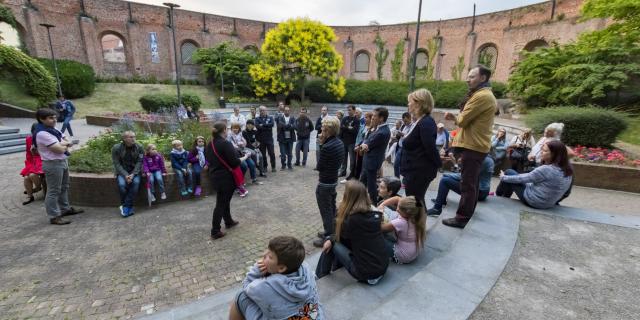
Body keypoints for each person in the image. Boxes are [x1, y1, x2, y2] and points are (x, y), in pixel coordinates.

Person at [442, 65, 497, 228]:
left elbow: (463, 120)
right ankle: (466, 215)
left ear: (483, 78)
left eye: (472, 76)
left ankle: (462, 218)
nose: (468, 79)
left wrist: (453, 116)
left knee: (467, 184)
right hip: (475, 146)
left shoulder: (482, 96)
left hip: (473, 147)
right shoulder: (484, 94)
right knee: (471, 183)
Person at [229, 236, 323, 320]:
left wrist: (256, 270)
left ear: (281, 268)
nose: (264, 254)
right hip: (312, 316)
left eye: (270, 256)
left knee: (240, 296)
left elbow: (247, 287)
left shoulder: (266, 286)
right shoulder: (306, 269)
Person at [315, 180, 389, 285]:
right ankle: (335, 267)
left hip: (367, 274)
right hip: (382, 266)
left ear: (348, 197)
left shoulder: (350, 220)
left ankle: (319, 275)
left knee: (331, 243)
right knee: (340, 240)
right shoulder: (373, 213)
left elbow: (337, 233)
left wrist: (339, 211)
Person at [34, 109, 84, 224]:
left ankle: (65, 209)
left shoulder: (53, 129)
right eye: (51, 118)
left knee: (64, 186)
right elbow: (59, 149)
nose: (55, 120)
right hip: (52, 164)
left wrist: (63, 143)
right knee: (53, 190)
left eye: (55, 117)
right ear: (42, 119)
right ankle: (54, 216)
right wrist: (65, 144)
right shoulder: (42, 133)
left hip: (62, 161)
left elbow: (66, 139)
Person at [496, 140, 573, 209]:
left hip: (534, 201)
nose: (541, 152)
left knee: (509, 172)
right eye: (542, 150)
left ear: (554, 154)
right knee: (514, 177)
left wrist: (503, 177)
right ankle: (504, 197)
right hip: (549, 203)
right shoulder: (567, 168)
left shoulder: (547, 169)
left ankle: (498, 195)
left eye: (545, 151)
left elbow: (522, 179)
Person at [400, 89, 442, 210]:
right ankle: (417, 226)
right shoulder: (420, 121)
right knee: (415, 200)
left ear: (419, 103)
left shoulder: (426, 122)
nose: (408, 104)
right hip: (414, 171)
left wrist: (438, 164)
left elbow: (430, 148)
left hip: (419, 172)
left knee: (416, 201)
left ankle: (419, 227)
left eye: (410, 102)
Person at [205, 121, 242, 239]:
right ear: (224, 130)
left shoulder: (209, 144)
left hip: (215, 176)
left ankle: (228, 221)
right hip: (225, 178)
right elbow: (234, 162)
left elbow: (208, 159)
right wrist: (244, 158)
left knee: (224, 200)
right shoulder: (226, 144)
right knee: (221, 204)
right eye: (227, 129)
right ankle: (215, 230)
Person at [313, 116, 345, 248]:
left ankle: (329, 236)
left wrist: (321, 144)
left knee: (326, 210)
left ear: (329, 131)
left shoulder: (327, 146)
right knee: (331, 207)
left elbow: (319, 166)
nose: (321, 131)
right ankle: (332, 230)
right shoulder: (339, 142)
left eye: (323, 129)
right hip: (333, 181)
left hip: (325, 183)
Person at [427, 156, 495, 216]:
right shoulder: (488, 159)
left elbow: (464, 176)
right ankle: (441, 200)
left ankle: (437, 208)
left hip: (479, 192)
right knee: (447, 179)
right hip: (482, 191)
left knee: (444, 181)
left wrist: (446, 174)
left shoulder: (481, 160)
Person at [381, 196, 426, 264]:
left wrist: (380, 213)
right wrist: (382, 205)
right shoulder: (416, 215)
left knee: (374, 235)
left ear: (407, 212)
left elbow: (380, 228)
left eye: (399, 208)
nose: (397, 209)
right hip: (412, 251)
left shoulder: (401, 222)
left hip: (403, 256)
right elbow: (397, 198)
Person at [359, 107, 391, 203]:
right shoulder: (378, 129)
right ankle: (358, 199)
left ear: (381, 118)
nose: (372, 118)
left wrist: (364, 145)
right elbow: (366, 141)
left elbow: (367, 145)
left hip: (372, 161)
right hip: (369, 160)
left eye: (374, 116)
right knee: (362, 182)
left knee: (371, 185)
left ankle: (374, 203)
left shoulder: (382, 132)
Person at [111, 131, 143, 217]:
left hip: (134, 172)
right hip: (122, 172)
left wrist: (133, 174)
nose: (134, 139)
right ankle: (129, 206)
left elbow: (140, 162)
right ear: (124, 139)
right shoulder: (116, 148)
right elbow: (116, 163)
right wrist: (125, 175)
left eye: (134, 137)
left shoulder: (139, 147)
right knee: (121, 185)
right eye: (131, 137)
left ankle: (125, 206)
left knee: (135, 183)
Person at [228, 123, 259, 187]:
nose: (235, 129)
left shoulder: (240, 134)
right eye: (234, 128)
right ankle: (241, 180)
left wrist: (242, 143)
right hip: (236, 153)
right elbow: (232, 145)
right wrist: (239, 144)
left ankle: (254, 179)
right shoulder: (230, 135)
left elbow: (245, 142)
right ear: (231, 129)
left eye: (236, 128)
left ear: (239, 129)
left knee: (252, 164)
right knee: (244, 166)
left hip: (243, 151)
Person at [21, 123, 43, 205]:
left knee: (32, 175)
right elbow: (28, 154)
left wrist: (36, 151)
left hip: (42, 160)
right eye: (35, 131)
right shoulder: (29, 139)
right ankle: (30, 196)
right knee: (26, 177)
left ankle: (37, 188)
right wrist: (29, 164)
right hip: (33, 161)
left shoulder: (44, 138)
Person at [351, 111, 373, 183]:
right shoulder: (363, 126)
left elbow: (368, 140)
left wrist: (360, 146)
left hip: (365, 149)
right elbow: (362, 138)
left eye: (366, 117)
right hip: (360, 146)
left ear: (371, 119)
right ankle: (357, 179)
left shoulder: (372, 129)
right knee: (358, 163)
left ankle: (362, 181)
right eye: (364, 117)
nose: (365, 119)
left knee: (364, 166)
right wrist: (357, 145)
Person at [339, 105, 360, 179]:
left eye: (350, 110)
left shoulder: (356, 120)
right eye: (348, 110)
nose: (348, 111)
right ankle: (343, 171)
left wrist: (346, 127)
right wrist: (349, 128)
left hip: (352, 142)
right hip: (344, 141)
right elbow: (341, 127)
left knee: (352, 159)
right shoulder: (345, 118)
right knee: (343, 158)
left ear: (354, 111)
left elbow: (355, 131)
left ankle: (352, 173)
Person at [255, 106, 277, 173]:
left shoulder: (270, 117)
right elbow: (258, 126)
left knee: (272, 153)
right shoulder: (257, 119)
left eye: (264, 110)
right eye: (261, 110)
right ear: (259, 111)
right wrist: (267, 126)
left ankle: (273, 167)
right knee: (263, 154)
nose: (263, 111)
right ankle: (265, 166)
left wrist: (263, 125)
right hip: (261, 140)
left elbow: (272, 124)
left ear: (266, 110)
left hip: (269, 139)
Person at [391, 112, 412, 178]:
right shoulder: (403, 126)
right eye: (403, 121)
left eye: (406, 121)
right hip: (400, 147)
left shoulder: (413, 126)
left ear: (410, 118)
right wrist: (395, 136)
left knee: (406, 166)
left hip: (407, 149)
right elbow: (398, 137)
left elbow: (411, 138)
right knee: (396, 164)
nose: (404, 123)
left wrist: (403, 135)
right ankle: (397, 179)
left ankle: (405, 181)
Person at [276, 106, 297, 170]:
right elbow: (280, 125)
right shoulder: (280, 118)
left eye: (288, 110)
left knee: (290, 153)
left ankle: (289, 165)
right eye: (285, 110)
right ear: (284, 111)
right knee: (282, 154)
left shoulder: (293, 118)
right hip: (282, 138)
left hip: (290, 138)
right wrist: (289, 125)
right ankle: (283, 165)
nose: (287, 111)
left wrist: (285, 126)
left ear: (289, 111)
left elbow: (295, 126)